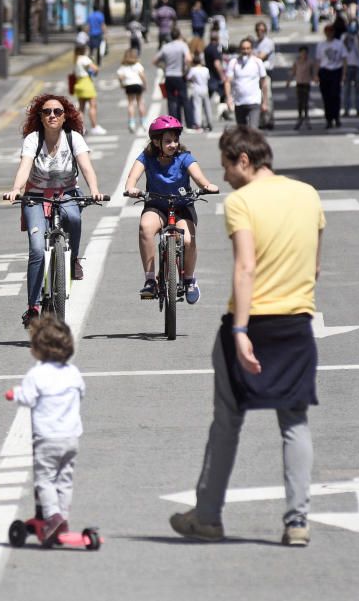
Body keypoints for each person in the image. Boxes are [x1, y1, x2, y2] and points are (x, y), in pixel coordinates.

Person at [170, 126, 324, 547]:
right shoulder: (308, 195)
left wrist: (240, 329)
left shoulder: (241, 202)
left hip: (253, 321)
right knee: (294, 422)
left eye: (226, 165)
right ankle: (297, 521)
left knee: (227, 421)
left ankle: (208, 516)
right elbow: (314, 267)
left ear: (244, 159)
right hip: (296, 324)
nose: (224, 175)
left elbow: (245, 267)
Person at [3, 94, 104, 328]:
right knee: (37, 249)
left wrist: (95, 190)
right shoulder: (33, 139)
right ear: (40, 117)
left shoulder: (73, 137)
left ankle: (73, 259)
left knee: (74, 218)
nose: (52, 116)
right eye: (47, 112)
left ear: (65, 116)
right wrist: (16, 189)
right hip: (35, 196)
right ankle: (33, 307)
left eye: (57, 112)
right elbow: (24, 167)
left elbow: (86, 167)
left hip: (66, 193)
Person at [6, 316, 85, 546]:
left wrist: (13, 394)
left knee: (44, 480)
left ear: (40, 349)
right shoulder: (73, 372)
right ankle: (63, 519)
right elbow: (81, 392)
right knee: (64, 479)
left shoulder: (37, 374)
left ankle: (52, 517)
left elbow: (28, 397)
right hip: (71, 437)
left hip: (48, 438)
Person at [123, 115, 219, 301]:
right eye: (168, 141)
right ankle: (150, 280)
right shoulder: (146, 157)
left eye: (175, 140)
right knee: (145, 228)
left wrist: (207, 186)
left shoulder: (185, 157)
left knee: (188, 240)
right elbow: (132, 178)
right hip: (157, 206)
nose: (173, 144)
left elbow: (199, 178)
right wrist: (131, 188)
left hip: (182, 207)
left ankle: (189, 280)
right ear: (156, 142)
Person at [224, 38, 268, 129]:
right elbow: (227, 81)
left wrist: (265, 102)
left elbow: (264, 83)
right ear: (240, 50)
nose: (246, 51)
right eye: (243, 49)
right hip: (239, 102)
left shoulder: (257, 62)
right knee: (241, 131)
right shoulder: (234, 63)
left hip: (254, 102)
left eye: (248, 48)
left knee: (253, 130)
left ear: (251, 49)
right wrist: (228, 98)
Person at [155, 26, 192, 124]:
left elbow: (155, 60)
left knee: (171, 101)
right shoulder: (182, 45)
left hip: (169, 76)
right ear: (179, 35)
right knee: (184, 99)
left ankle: (173, 123)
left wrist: (164, 68)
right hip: (179, 75)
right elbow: (188, 59)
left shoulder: (166, 47)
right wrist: (186, 70)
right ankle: (189, 123)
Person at [315, 24, 346, 128]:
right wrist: (316, 74)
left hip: (336, 71)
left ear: (333, 32)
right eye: (327, 31)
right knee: (326, 97)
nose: (329, 33)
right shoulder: (321, 45)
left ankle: (336, 117)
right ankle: (328, 119)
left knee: (335, 96)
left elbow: (344, 59)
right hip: (324, 71)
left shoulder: (339, 44)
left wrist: (344, 74)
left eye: (331, 31)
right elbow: (318, 60)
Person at [72, 45, 107, 135]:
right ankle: (94, 127)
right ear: (84, 50)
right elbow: (95, 68)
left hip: (79, 84)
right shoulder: (84, 58)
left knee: (81, 108)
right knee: (93, 106)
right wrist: (94, 70)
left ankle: (80, 128)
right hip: (86, 83)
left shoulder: (76, 59)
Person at [116, 48, 148, 133]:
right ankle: (143, 122)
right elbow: (142, 76)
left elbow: (120, 77)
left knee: (130, 104)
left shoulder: (123, 66)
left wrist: (121, 83)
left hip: (128, 85)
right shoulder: (137, 65)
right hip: (137, 84)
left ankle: (131, 123)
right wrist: (145, 84)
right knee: (140, 103)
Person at [289, 46, 318, 129]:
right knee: (299, 102)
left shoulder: (310, 62)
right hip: (299, 83)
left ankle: (306, 117)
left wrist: (315, 77)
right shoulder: (297, 62)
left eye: (305, 53)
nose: (303, 55)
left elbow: (313, 72)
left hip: (306, 83)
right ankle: (300, 117)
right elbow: (293, 72)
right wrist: (289, 81)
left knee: (305, 102)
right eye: (302, 53)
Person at [254, 22, 277, 130]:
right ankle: (261, 121)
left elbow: (261, 56)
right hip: (256, 74)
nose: (260, 32)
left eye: (262, 30)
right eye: (258, 30)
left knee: (267, 96)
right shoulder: (255, 43)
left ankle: (269, 120)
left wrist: (253, 56)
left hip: (266, 73)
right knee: (258, 97)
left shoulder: (268, 42)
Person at [342, 22, 359, 117]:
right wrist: (348, 35)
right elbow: (343, 45)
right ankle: (346, 110)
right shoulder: (344, 36)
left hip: (358, 65)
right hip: (347, 65)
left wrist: (357, 35)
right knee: (346, 89)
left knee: (358, 89)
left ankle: (358, 109)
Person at [187, 54, 213, 132]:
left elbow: (188, 77)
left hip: (196, 89)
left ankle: (198, 124)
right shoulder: (206, 69)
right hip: (205, 89)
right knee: (207, 107)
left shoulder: (193, 69)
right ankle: (209, 122)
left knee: (197, 107)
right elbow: (208, 77)